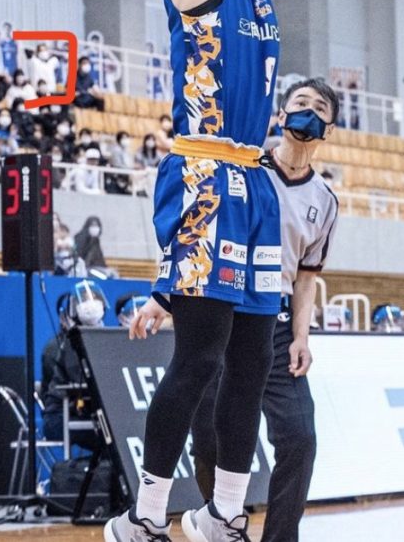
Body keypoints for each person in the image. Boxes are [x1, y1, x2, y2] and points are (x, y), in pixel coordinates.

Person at [106, 0, 333, 542]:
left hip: (253, 184)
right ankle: (145, 514)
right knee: (199, 359)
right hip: (202, 172)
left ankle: (227, 512)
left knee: (248, 361)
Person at [138, 77, 339, 542]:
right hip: (222, 308)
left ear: (329, 129)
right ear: (280, 114)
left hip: (278, 322)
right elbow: (194, 228)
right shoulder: (244, 167)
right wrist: (164, 294)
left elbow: (307, 277)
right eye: (299, 102)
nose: (307, 112)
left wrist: (302, 337)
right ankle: (222, 524)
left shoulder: (325, 201)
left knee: (299, 438)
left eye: (318, 108)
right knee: (209, 437)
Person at [41, 282, 108, 441]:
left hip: (84, 410)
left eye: (94, 298)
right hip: (60, 415)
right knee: (108, 432)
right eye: (83, 299)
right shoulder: (69, 344)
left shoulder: (104, 339)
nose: (90, 303)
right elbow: (82, 382)